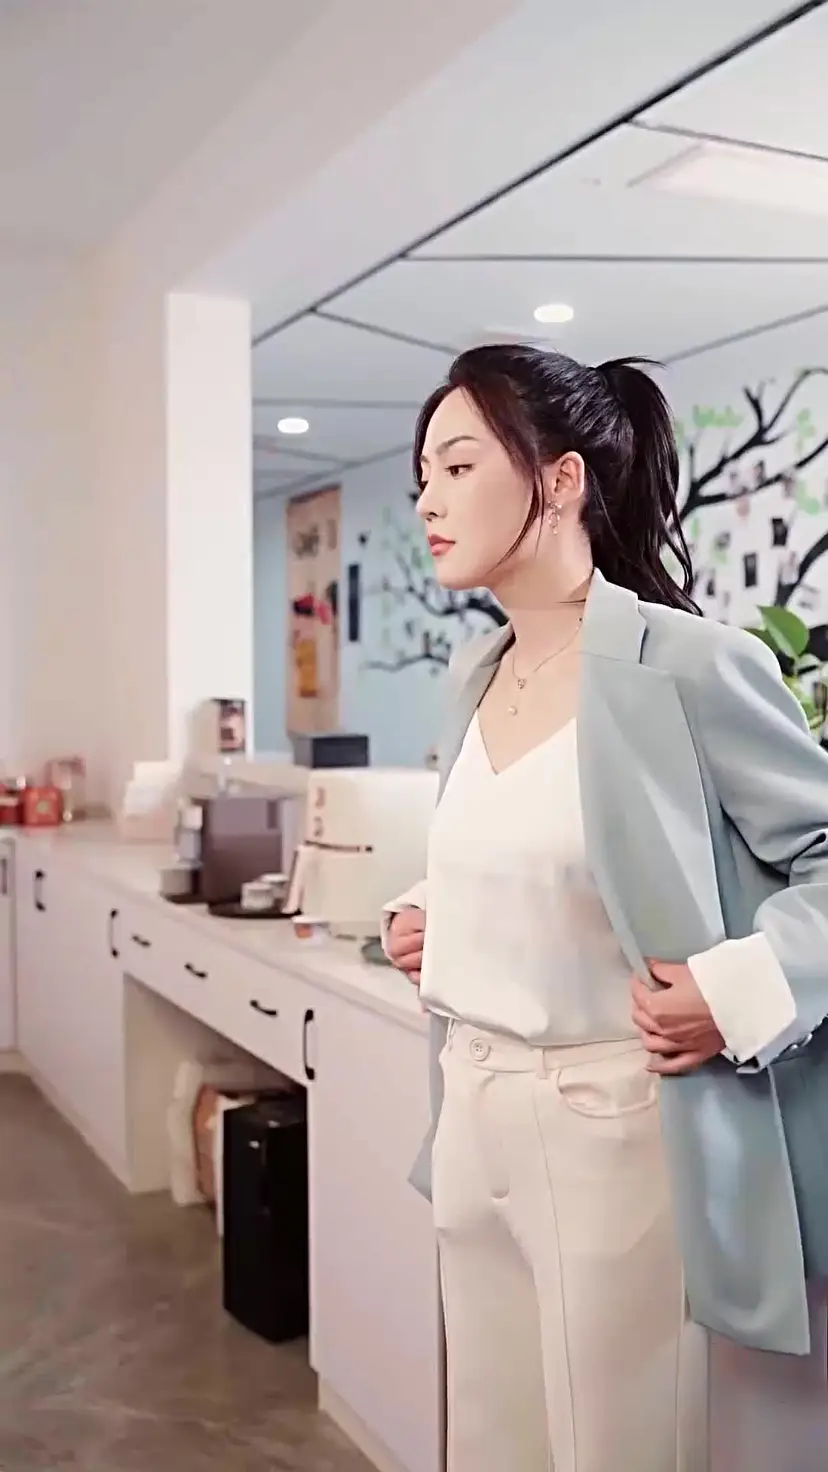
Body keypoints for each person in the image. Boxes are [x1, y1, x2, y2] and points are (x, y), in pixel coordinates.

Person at [382, 344, 828, 1472]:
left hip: (615, 1132)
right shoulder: (477, 673)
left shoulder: (688, 663)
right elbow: (559, 841)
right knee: (491, 1441)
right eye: (422, 476)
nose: (428, 500)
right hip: (471, 1107)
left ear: (564, 478)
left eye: (458, 466)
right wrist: (437, 913)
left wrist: (736, 990)